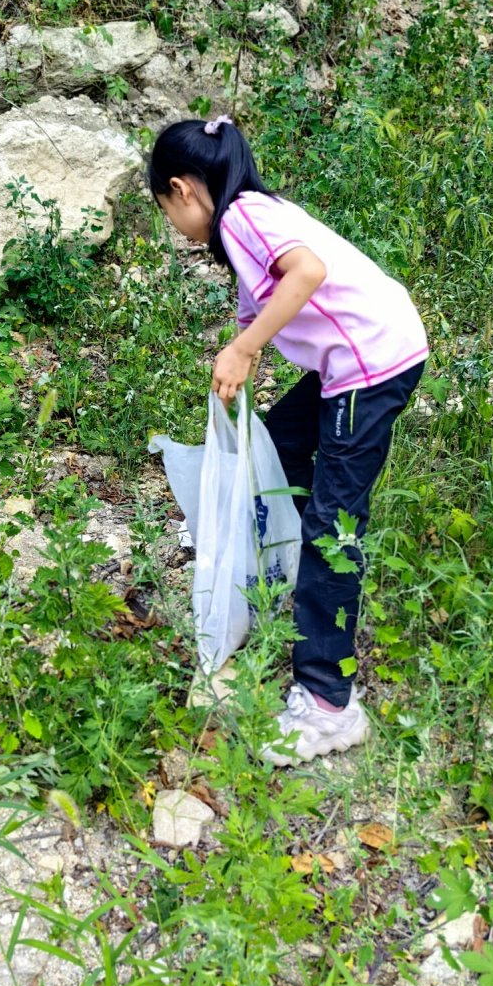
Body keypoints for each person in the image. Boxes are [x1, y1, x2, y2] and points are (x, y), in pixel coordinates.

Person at [149, 115, 428, 763]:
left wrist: (244, 349)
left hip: (371, 363)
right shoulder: (251, 218)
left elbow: (306, 272)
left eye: (166, 209)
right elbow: (270, 301)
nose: (173, 223)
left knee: (333, 524)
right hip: (363, 356)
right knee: (277, 449)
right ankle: (289, 580)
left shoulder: (242, 216)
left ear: (182, 190)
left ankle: (329, 702)